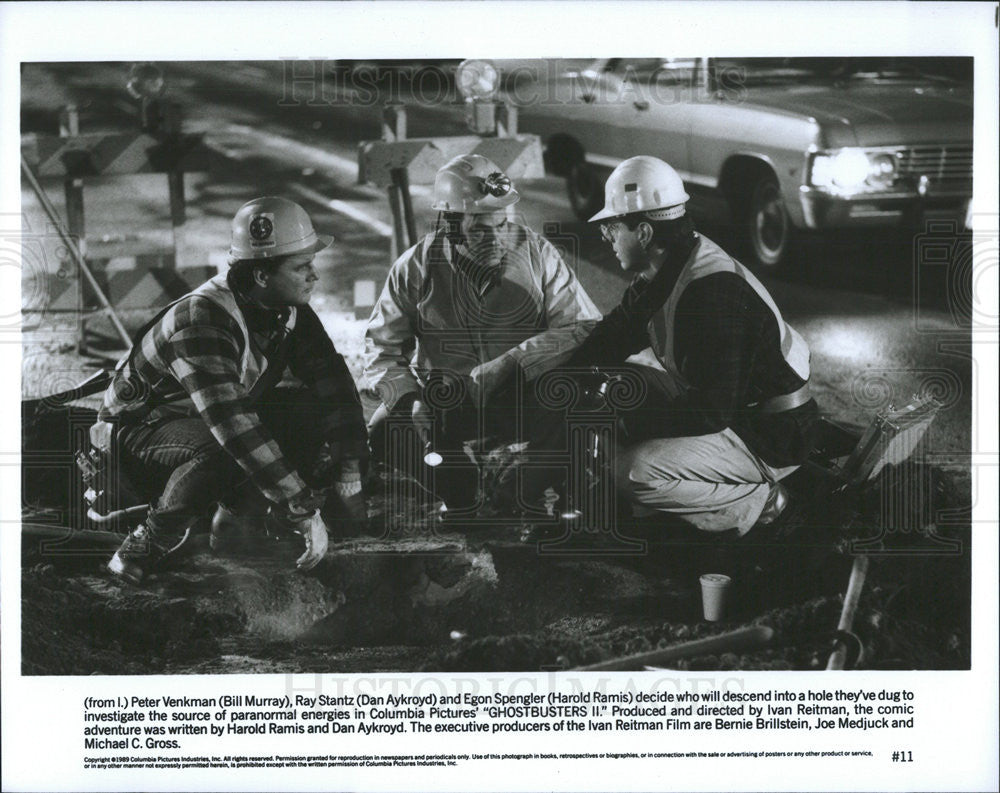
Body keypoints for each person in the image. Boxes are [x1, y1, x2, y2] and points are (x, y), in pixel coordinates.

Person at [98, 196, 368, 584]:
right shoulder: (202, 319)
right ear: (261, 275)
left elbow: (334, 383)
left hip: (202, 424)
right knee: (224, 448)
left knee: (306, 407)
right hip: (142, 432)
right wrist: (302, 509)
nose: (314, 276)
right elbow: (232, 424)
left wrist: (350, 469)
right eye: (302, 266)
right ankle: (143, 546)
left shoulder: (286, 307)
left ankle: (237, 525)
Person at [565, 156, 819, 536]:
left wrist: (627, 423)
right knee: (623, 383)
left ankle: (765, 503)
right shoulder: (666, 267)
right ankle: (681, 499)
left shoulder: (710, 293)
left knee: (632, 471)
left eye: (613, 227)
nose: (606, 237)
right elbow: (614, 336)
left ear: (645, 233)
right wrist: (560, 381)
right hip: (736, 410)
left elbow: (712, 411)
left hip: (770, 434)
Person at [364, 153, 601, 514]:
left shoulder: (538, 253)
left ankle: (526, 488)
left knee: (577, 403)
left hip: (523, 394)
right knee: (384, 428)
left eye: (501, 225)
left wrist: (515, 361)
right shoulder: (414, 267)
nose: (495, 240)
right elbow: (382, 349)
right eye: (480, 229)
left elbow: (583, 328)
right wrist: (409, 400)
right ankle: (461, 490)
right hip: (447, 405)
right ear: (450, 224)